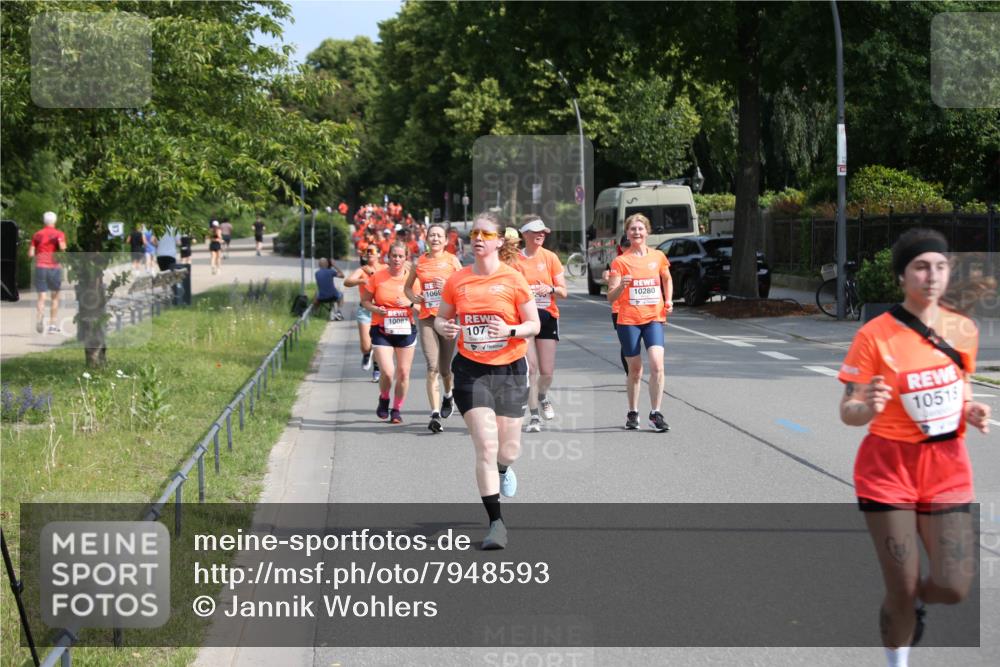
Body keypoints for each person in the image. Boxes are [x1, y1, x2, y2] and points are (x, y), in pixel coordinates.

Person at [837, 228, 990, 667]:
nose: (932, 275)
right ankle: (897, 654)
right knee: (901, 586)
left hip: (947, 469)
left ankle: (910, 605)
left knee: (954, 587)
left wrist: (970, 409)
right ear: (902, 276)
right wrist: (866, 406)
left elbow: (959, 385)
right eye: (921, 267)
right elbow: (848, 410)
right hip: (888, 470)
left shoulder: (963, 330)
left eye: (940, 266)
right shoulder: (875, 335)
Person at [434, 212, 540, 549]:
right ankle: (496, 524)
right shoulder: (457, 280)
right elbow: (440, 318)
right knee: (486, 445)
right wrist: (444, 327)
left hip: (509, 370)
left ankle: (504, 470)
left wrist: (510, 329)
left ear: (499, 240)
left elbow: (534, 324)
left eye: (486, 233)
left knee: (509, 449)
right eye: (474, 234)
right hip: (471, 370)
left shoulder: (513, 279)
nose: (478, 238)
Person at [606, 213, 673, 432]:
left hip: (653, 318)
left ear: (647, 232)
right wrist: (621, 286)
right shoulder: (620, 261)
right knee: (635, 370)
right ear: (627, 233)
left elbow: (667, 278)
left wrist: (669, 300)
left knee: (657, 365)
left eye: (640, 229)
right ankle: (633, 412)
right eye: (632, 229)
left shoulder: (658, 256)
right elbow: (610, 297)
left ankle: (655, 413)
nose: (637, 232)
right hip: (628, 321)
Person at [404, 223, 463, 433]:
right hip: (427, 318)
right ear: (426, 239)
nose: (435, 239)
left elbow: (464, 287)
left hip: (448, 319)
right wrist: (414, 298)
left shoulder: (453, 261)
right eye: (432, 235)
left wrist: (446, 287)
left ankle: (448, 395)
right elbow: (407, 288)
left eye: (439, 236)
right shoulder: (419, 262)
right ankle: (435, 414)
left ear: (446, 241)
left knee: (445, 369)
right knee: (432, 367)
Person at [514, 217, 568, 433]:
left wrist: (551, 289)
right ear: (525, 234)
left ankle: (542, 395)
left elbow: (563, 291)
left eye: (543, 232)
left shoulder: (550, 257)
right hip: (525, 320)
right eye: (536, 232)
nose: (541, 235)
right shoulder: (514, 261)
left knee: (547, 372)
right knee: (532, 368)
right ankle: (534, 416)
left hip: (547, 316)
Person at [361, 242, 417, 424]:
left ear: (406, 258)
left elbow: (423, 307)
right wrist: (376, 309)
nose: (397, 259)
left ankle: (397, 409)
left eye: (401, 256)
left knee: (403, 373)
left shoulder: (413, 279)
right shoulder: (378, 277)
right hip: (381, 329)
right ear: (388, 257)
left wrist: (409, 303)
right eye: (394, 256)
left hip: (405, 329)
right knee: (387, 371)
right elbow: (365, 301)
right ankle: (384, 397)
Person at [344, 246, 385, 382]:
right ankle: (367, 353)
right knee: (366, 345)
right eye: (367, 252)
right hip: (365, 311)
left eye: (372, 251)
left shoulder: (384, 268)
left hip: (380, 310)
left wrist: (373, 275)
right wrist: (361, 280)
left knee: (378, 343)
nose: (369, 254)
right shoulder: (362, 270)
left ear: (379, 254)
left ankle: (377, 369)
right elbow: (347, 282)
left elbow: (388, 281)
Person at [28, 211, 67, 334]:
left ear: (43, 221)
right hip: (54, 267)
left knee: (41, 297)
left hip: (40, 267)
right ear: (55, 221)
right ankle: (52, 325)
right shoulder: (59, 234)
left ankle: (40, 319)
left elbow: (30, 254)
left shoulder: (37, 235)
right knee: (55, 297)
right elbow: (62, 248)